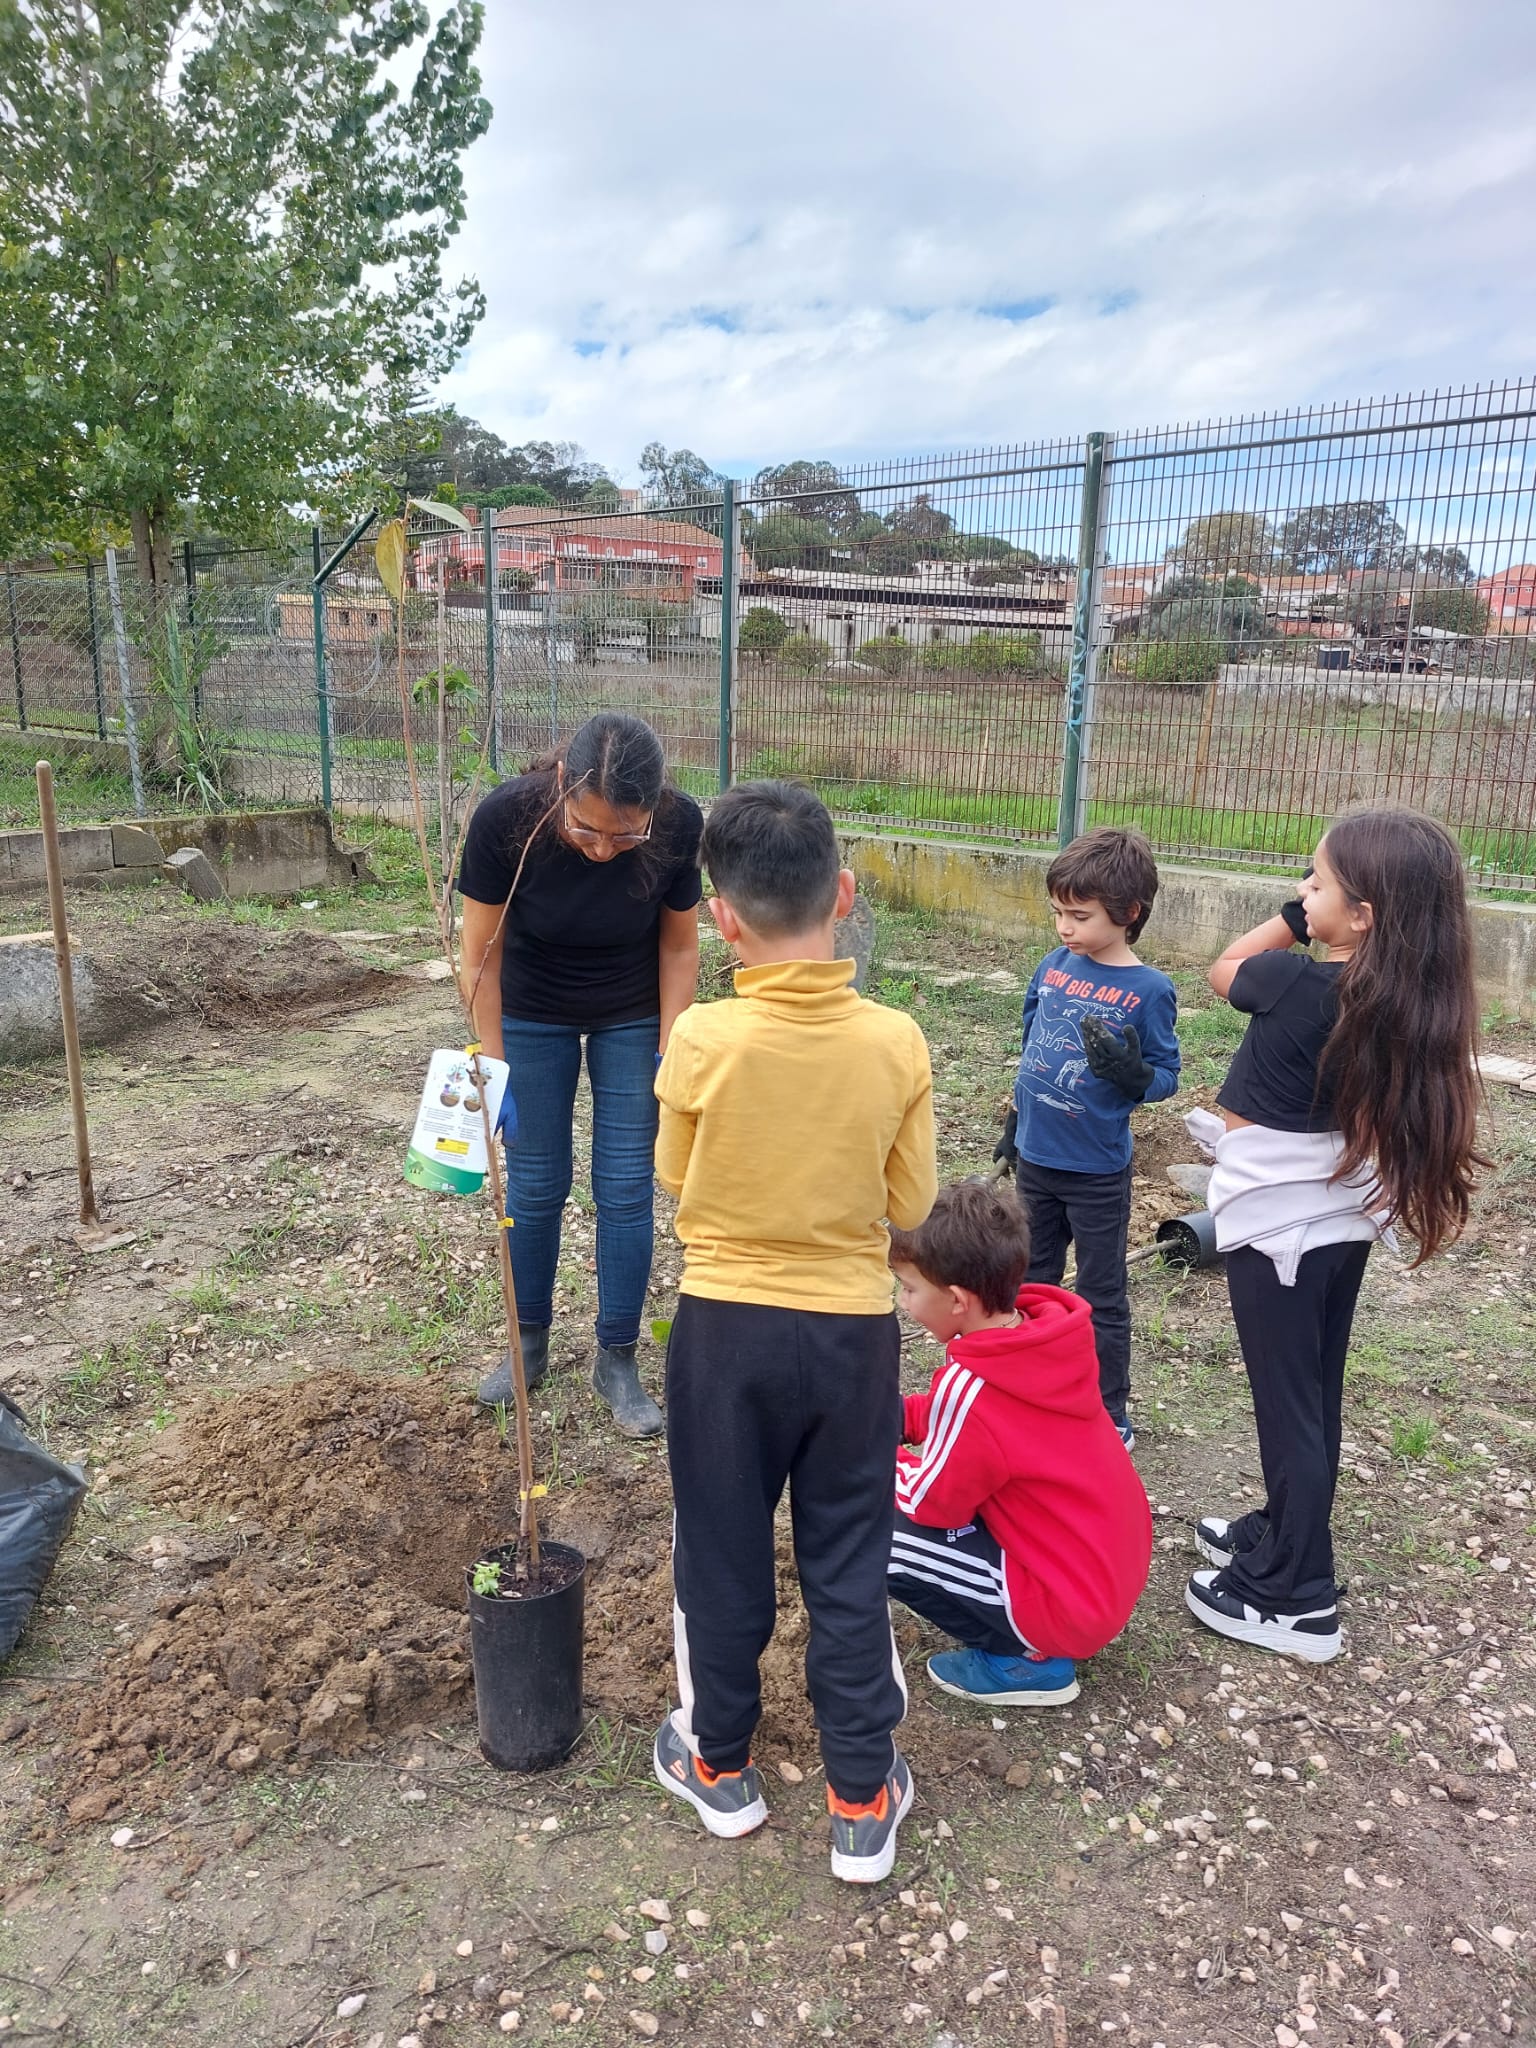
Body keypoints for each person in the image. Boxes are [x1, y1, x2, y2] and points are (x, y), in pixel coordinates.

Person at [650, 781, 937, 1884]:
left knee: (720, 1548)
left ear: (722, 917)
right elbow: (908, 1200)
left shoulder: (704, 1038)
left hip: (723, 1332)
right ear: (846, 896)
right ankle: (862, 1792)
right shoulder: (896, 1041)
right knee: (850, 1556)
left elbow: (677, 1176)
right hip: (853, 1335)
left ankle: (717, 1762)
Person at [1187, 808, 1483, 1661]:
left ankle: (1295, 1599)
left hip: (1278, 1229)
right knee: (1311, 1397)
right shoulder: (1402, 1005)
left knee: (1289, 1410)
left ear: (1365, 917)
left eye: (1316, 883)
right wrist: (1319, 905)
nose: (1302, 893)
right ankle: (1285, 1533)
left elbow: (1225, 967)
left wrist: (1290, 920)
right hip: (1337, 1220)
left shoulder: (1296, 984)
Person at [458, 713, 702, 1437]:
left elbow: (681, 948)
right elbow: (480, 950)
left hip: (630, 1011)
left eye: (624, 836)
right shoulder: (506, 818)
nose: (603, 850)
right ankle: (527, 1343)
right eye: (587, 829)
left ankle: (616, 1358)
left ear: (654, 808)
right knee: (536, 1184)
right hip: (532, 1011)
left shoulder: (680, 823)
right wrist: (494, 1060)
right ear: (562, 786)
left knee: (626, 1187)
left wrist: (672, 1044)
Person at [886, 1179, 1152, 1707]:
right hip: (1102, 1575)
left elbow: (929, 1503)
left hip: (1064, 1606)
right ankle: (1031, 1630)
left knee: (867, 1527)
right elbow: (976, 1429)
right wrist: (887, 1416)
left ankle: (1023, 1659)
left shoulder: (977, 1386)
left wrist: (865, 1447)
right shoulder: (1038, 1339)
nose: (903, 1301)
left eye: (909, 1288)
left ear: (958, 1300)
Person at [998, 826, 1180, 1448]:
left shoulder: (1149, 990)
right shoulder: (1053, 967)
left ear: (1129, 914)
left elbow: (1166, 1076)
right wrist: (1015, 1124)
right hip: (1036, 1163)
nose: (1065, 928)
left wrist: (1134, 1076)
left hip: (1097, 1171)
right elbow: (1032, 1049)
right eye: (1058, 913)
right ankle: (1029, 1391)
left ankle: (1109, 1413)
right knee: (1030, 1282)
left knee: (1102, 1294)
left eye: (1080, 915)